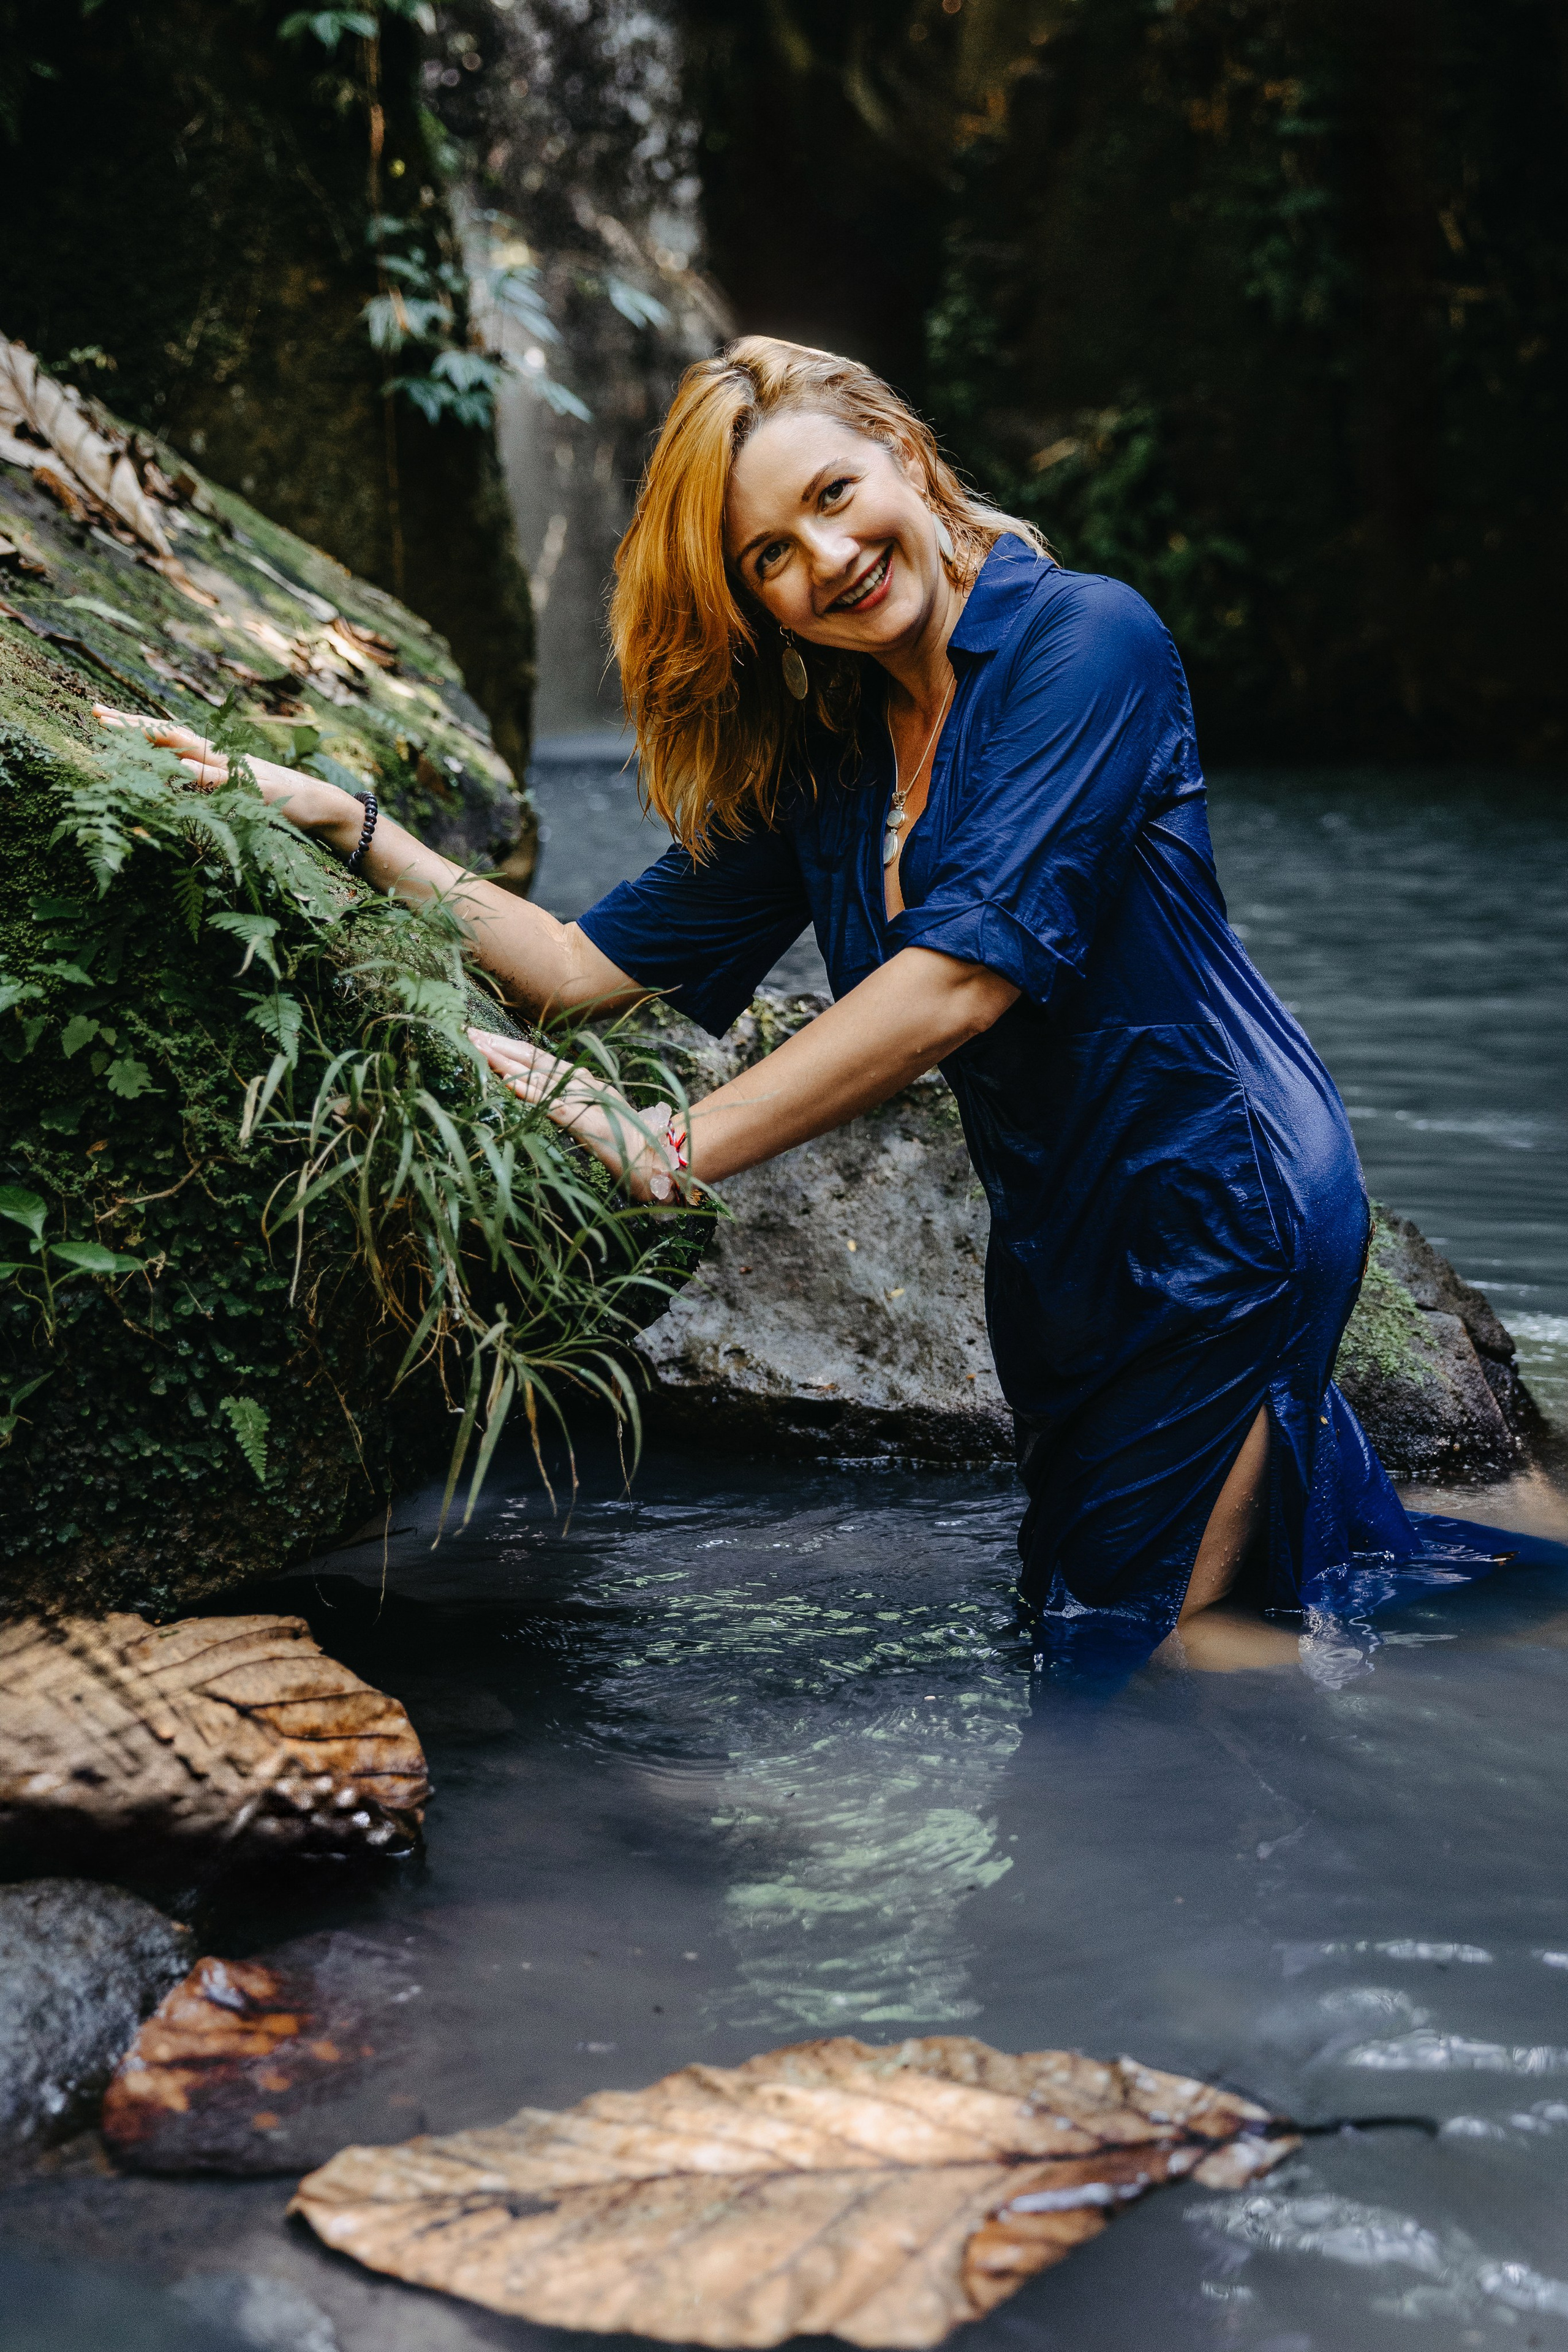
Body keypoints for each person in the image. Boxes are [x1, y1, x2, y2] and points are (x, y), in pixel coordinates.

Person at [102, 334, 1435, 1646]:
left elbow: (957, 987)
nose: (826, 562)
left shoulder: (1085, 643)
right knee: (1121, 1613)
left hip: (1222, 1203)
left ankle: (1430, 1793)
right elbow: (577, 969)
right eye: (769, 559)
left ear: (903, 456)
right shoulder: (831, 759)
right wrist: (349, 826)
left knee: (1135, 1652)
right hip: (1062, 1255)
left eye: (833, 498)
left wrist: (668, 1146)